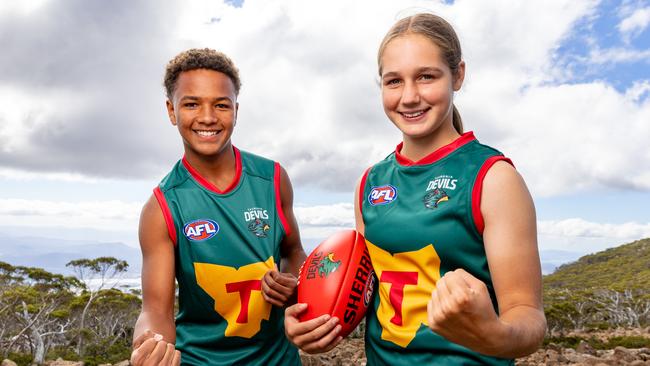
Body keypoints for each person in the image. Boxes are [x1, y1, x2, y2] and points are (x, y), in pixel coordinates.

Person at [284, 13, 546, 365]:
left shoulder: (493, 177)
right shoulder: (370, 182)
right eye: (394, 81)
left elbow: (527, 315)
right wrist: (314, 320)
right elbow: (363, 288)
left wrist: (495, 336)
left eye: (426, 77)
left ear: (458, 75)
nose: (409, 96)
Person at [131, 48, 305, 365]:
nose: (208, 117)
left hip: (279, 359)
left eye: (221, 105)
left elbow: (294, 252)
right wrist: (150, 345)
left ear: (236, 110)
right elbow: (155, 310)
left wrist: (294, 284)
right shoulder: (161, 207)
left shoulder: (273, 179)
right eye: (192, 103)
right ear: (171, 111)